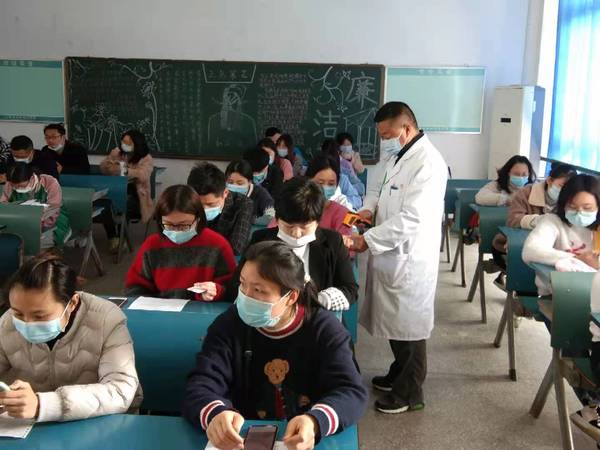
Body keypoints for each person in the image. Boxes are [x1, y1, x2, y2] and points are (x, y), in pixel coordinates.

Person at [183, 241, 367, 450]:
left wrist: (316, 421)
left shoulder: (324, 330)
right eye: (242, 284)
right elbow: (201, 382)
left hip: (305, 439)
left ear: (291, 297)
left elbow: (351, 391)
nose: (245, 295)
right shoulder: (229, 324)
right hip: (242, 436)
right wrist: (215, 414)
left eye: (258, 290)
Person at [344, 102, 448, 414]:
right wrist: (367, 210)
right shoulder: (398, 155)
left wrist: (367, 240)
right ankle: (398, 371)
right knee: (394, 322)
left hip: (410, 257)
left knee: (410, 327)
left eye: (388, 135)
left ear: (406, 128)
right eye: (382, 136)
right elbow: (376, 188)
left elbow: (413, 219)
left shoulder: (428, 163)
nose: (384, 141)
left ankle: (410, 392)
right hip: (391, 252)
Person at [0, 253, 141, 422]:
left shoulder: (106, 320)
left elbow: (120, 390)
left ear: (72, 303)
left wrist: (43, 404)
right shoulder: (7, 323)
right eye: (18, 313)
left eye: (39, 316)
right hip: (29, 425)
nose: (27, 323)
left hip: (99, 422)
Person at [230, 178, 357, 313]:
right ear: (277, 219)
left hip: (316, 315)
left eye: (304, 227)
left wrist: (326, 298)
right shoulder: (261, 240)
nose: (296, 233)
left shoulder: (333, 242)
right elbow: (236, 284)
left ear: (317, 221)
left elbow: (350, 289)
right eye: (289, 226)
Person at [125, 185, 236, 300]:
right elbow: (134, 288)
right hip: (161, 308)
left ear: (198, 219)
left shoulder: (217, 245)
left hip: (203, 307)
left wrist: (216, 291)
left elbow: (231, 290)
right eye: (168, 225)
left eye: (184, 225)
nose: (176, 230)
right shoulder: (152, 245)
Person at [488, 163, 577, 277]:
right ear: (549, 180)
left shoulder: (571, 201)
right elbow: (512, 220)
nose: (565, 191)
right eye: (562, 185)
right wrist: (537, 221)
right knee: (527, 271)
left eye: (569, 189)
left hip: (548, 249)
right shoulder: (527, 192)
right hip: (514, 245)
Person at [523, 174, 600, 297]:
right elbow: (530, 250)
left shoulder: (597, 229)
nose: (579, 213)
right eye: (572, 207)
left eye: (587, 208)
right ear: (563, 204)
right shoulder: (552, 221)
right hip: (556, 295)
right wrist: (576, 259)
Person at [187, 162, 254, 256]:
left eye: (211, 204)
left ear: (225, 193)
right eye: (199, 205)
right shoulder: (187, 202)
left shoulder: (243, 204)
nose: (204, 209)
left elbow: (236, 247)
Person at [0, 163, 71, 247]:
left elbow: (54, 208)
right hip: (21, 220)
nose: (17, 188)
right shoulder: (9, 184)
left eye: (20, 185)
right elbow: (3, 206)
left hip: (52, 219)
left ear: (31, 178)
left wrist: (36, 224)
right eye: (14, 186)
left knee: (39, 243)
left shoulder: (49, 182)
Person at [99, 129, 154, 223]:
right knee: (105, 206)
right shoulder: (117, 153)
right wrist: (111, 159)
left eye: (128, 143)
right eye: (123, 142)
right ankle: (114, 231)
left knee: (120, 206)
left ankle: (121, 230)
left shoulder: (146, 158)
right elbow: (104, 169)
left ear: (137, 144)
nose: (124, 145)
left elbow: (143, 175)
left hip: (137, 195)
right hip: (115, 190)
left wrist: (123, 170)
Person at [305, 154, 352, 237]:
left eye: (331, 184)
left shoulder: (345, 214)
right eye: (320, 183)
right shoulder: (297, 207)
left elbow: (345, 243)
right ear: (308, 181)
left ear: (337, 185)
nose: (325, 187)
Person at [225, 159, 275, 225]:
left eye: (240, 183)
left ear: (249, 182)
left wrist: (248, 219)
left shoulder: (260, 193)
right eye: (230, 182)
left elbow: (270, 217)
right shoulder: (222, 192)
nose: (234, 186)